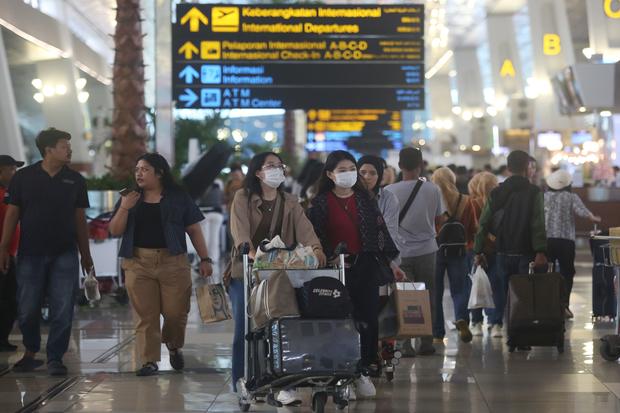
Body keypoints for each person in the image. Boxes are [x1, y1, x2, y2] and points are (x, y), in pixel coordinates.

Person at [228, 152, 326, 405]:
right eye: (270, 166)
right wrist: (250, 254)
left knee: (282, 326)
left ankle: (282, 382)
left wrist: (316, 250)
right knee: (245, 328)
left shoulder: (291, 201)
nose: (277, 170)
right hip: (245, 272)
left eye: (280, 166)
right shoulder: (242, 198)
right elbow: (240, 233)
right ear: (258, 173)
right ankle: (242, 379)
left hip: (279, 274)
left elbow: (306, 231)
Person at [108, 153, 213, 376]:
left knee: (175, 313)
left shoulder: (177, 196)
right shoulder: (130, 197)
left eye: (145, 169)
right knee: (146, 316)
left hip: (173, 262)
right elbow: (114, 230)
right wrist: (124, 207)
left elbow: (193, 229)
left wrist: (205, 259)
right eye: (137, 169)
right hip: (137, 262)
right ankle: (149, 360)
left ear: (160, 172)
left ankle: (173, 345)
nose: (139, 173)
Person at [0, 128, 93, 376]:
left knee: (62, 308)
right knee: (27, 308)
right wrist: (4, 248)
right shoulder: (24, 178)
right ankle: (30, 350)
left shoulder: (75, 180)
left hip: (65, 253)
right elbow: (12, 214)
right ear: (49, 149)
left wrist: (86, 255)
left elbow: (79, 220)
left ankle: (55, 357)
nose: (70, 150)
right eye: (64, 146)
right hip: (30, 253)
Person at [307, 150, 398, 399]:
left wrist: (387, 260)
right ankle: (338, 369)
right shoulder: (321, 202)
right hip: (334, 270)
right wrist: (328, 254)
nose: (348, 174)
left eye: (351, 169)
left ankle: (364, 369)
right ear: (329, 174)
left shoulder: (365, 199)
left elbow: (379, 230)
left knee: (367, 317)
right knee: (337, 320)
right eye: (342, 170)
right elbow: (314, 235)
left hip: (365, 266)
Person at [474, 150, 548, 350]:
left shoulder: (497, 192)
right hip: (525, 253)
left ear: (508, 168)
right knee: (522, 296)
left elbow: (484, 222)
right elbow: (537, 223)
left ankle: (505, 331)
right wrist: (541, 250)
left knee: (502, 294)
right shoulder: (534, 192)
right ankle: (519, 338)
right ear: (526, 168)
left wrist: (479, 251)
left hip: (501, 252)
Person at [385, 148, 444, 356]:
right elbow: (439, 219)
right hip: (428, 250)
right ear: (421, 165)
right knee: (428, 295)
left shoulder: (389, 191)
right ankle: (426, 342)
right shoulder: (433, 190)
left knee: (404, 297)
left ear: (400, 165)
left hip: (400, 253)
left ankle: (404, 344)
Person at [544, 169, 601, 318]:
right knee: (567, 273)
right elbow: (582, 211)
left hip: (547, 241)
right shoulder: (571, 197)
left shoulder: (544, 197)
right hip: (566, 241)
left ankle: (547, 305)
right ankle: (564, 306)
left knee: (547, 273)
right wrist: (592, 217)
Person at [431, 167, 472, 343]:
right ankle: (461, 317)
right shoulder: (465, 200)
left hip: (435, 250)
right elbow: (472, 228)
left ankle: (438, 334)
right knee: (460, 289)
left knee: (436, 292)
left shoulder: (431, 200)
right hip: (459, 250)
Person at [461, 172, 503, 337]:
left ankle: (476, 323)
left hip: (474, 250)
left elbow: (469, 230)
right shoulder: (500, 204)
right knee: (496, 287)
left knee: (475, 285)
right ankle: (496, 323)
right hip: (496, 249)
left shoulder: (472, 203)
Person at [358, 155, 406, 281]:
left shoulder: (388, 198)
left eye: (372, 173)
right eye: (362, 172)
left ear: (379, 176)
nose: (367, 177)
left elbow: (388, 232)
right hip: (356, 261)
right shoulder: (349, 197)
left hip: (384, 261)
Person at [0, 155, 23, 351]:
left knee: (9, 299)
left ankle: (2, 339)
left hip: (10, 255)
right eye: (11, 169)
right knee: (5, 298)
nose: (14, 173)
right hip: (3, 256)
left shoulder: (10, 193)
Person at [198, 182, 224, 263]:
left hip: (204, 213)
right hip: (217, 213)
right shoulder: (219, 183)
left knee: (204, 237)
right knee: (215, 237)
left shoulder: (200, 184)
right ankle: (214, 258)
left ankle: (203, 259)